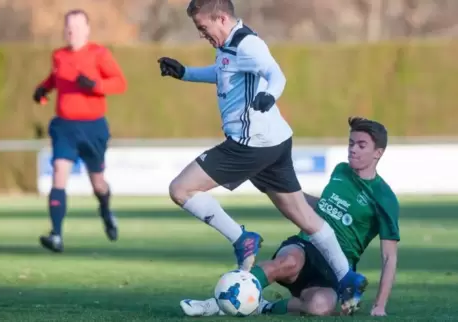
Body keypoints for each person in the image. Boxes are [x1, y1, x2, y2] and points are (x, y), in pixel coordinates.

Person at [157, 0, 367, 311]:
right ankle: (346, 277)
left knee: (181, 189)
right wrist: (185, 73)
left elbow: (275, 73)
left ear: (221, 17)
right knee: (304, 216)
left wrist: (270, 93)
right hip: (274, 142)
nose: (202, 34)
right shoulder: (229, 44)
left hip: (249, 144)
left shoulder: (248, 44)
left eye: (203, 27)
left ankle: (241, 238)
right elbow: (224, 72)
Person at [180, 117, 400, 317]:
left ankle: (264, 307)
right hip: (308, 244)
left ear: (378, 152)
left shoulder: (384, 198)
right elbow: (321, 205)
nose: (352, 149)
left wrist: (379, 305)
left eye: (361, 145)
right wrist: (275, 188)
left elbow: (389, 258)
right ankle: (215, 303)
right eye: (351, 143)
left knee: (320, 306)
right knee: (288, 262)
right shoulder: (341, 171)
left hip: (338, 265)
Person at [33, 9, 127, 252]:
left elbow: (120, 83)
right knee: (58, 172)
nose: (72, 31)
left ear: (87, 29)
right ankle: (56, 234)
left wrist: (95, 85)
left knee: (97, 183)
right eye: (68, 27)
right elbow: (56, 78)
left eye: (77, 26)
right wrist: (43, 89)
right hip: (65, 127)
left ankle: (105, 211)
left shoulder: (99, 54)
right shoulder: (59, 55)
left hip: (93, 128)